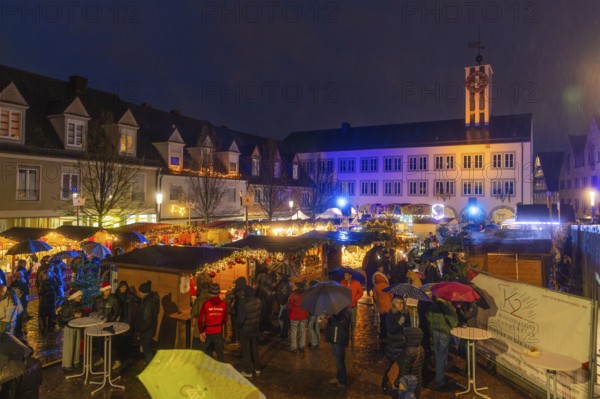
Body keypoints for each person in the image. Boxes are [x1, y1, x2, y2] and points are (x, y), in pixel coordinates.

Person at [426, 296, 459, 391]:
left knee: (438, 355)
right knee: (442, 356)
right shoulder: (447, 305)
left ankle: (440, 375)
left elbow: (428, 316)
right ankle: (439, 380)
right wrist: (454, 313)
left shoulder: (433, 305)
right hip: (445, 332)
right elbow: (454, 321)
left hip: (435, 332)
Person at [92, 281, 121, 368]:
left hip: (110, 324)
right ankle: (102, 357)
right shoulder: (97, 300)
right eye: (106, 290)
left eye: (109, 290)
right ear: (103, 291)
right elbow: (94, 310)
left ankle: (117, 360)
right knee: (100, 342)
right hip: (99, 324)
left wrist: (110, 321)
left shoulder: (114, 299)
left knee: (112, 343)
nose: (108, 291)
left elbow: (117, 312)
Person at [198, 283, 228, 361]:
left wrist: (201, 331)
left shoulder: (206, 304)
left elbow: (200, 320)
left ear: (210, 293)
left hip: (208, 332)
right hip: (218, 331)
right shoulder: (224, 304)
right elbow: (225, 319)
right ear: (219, 293)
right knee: (220, 353)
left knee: (208, 352)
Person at [236, 285, 262, 377]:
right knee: (254, 348)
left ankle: (247, 371)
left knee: (246, 349)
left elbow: (240, 320)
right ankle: (257, 368)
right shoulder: (259, 301)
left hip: (246, 328)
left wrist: (238, 326)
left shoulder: (244, 304)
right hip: (255, 327)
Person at [115, 280, 139, 369]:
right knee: (118, 341)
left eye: (124, 287)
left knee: (125, 341)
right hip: (118, 321)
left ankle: (123, 360)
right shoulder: (116, 296)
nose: (122, 289)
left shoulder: (131, 297)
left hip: (126, 322)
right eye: (121, 287)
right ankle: (119, 359)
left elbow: (135, 308)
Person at [325, 306, 351, 390]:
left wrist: (333, 316)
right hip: (336, 336)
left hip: (339, 337)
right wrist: (330, 317)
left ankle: (342, 382)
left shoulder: (345, 310)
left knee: (339, 360)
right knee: (337, 360)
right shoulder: (339, 309)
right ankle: (338, 377)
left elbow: (343, 322)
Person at [135, 280, 160, 363]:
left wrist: (140, 331)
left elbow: (146, 320)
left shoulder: (147, 303)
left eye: (139, 291)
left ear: (143, 292)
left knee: (147, 350)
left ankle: (150, 367)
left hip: (146, 331)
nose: (138, 293)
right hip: (150, 329)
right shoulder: (153, 299)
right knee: (147, 348)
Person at [58, 290, 84, 371]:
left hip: (77, 326)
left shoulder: (79, 303)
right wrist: (74, 316)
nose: (80, 297)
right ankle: (67, 364)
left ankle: (75, 361)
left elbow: (81, 310)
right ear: (74, 296)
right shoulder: (67, 304)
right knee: (69, 345)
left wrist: (80, 314)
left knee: (76, 344)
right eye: (79, 296)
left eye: (80, 296)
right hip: (69, 326)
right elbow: (63, 318)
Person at [386, 297, 411, 362]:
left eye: (401, 303)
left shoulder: (405, 314)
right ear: (394, 304)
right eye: (398, 303)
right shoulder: (391, 314)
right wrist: (399, 324)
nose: (400, 304)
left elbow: (409, 327)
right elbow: (391, 330)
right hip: (394, 347)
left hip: (404, 346)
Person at [287, 280, 308, 353]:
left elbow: (289, 306)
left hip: (294, 316)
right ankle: (302, 346)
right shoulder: (306, 295)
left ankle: (294, 347)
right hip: (303, 316)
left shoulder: (293, 295)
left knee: (294, 331)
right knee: (303, 331)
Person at [341, 271, 363, 336]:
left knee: (353, 320)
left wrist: (355, 299)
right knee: (346, 320)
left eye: (346, 275)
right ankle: (346, 332)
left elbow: (360, 292)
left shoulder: (356, 283)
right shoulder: (342, 283)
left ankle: (352, 332)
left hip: (353, 305)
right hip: (345, 306)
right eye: (344, 275)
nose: (345, 276)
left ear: (350, 276)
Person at [372, 269, 392, 339]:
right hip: (388, 304)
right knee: (388, 320)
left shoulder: (376, 287)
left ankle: (383, 334)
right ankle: (388, 333)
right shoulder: (387, 285)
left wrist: (377, 303)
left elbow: (375, 297)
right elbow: (391, 295)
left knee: (382, 320)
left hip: (381, 306)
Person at [191, 281, 210, 350]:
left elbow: (192, 313)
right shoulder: (211, 300)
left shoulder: (199, 300)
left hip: (199, 329)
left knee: (196, 349)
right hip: (209, 329)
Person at [10, 271, 29, 336]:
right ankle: (18, 331)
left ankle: (15, 330)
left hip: (15, 302)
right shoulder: (23, 283)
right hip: (21, 301)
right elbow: (27, 292)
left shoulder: (13, 283)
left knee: (15, 316)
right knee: (19, 317)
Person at [37, 270, 56, 335]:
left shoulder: (43, 283)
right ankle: (50, 329)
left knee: (43, 316)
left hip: (45, 302)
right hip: (52, 302)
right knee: (50, 316)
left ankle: (44, 329)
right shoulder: (53, 281)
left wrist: (38, 291)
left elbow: (41, 292)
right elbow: (57, 287)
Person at [276, 274, 292, 340]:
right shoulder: (287, 284)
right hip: (284, 303)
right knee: (283, 319)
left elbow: (284, 293)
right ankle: (284, 334)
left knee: (281, 318)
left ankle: (283, 334)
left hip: (284, 304)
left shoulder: (285, 284)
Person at [307, 280, 320, 349]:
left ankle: (314, 343)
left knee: (310, 327)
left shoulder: (312, 292)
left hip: (312, 312)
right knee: (316, 326)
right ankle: (317, 341)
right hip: (317, 311)